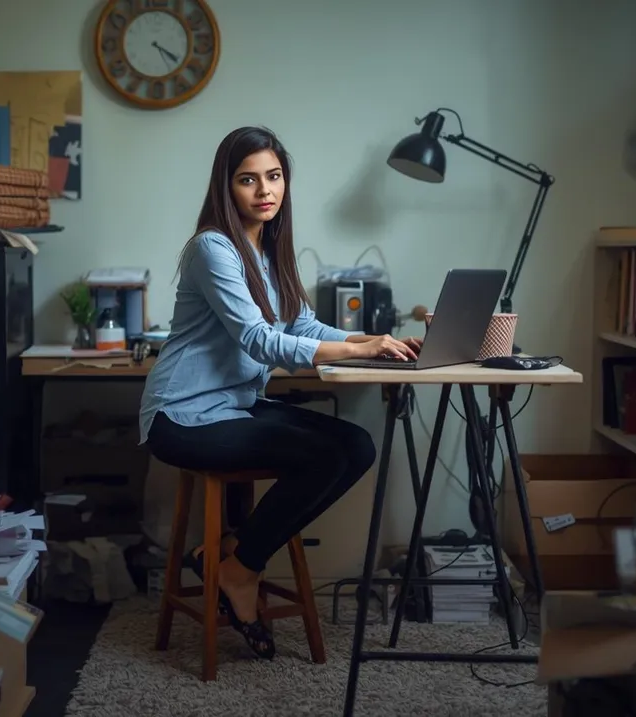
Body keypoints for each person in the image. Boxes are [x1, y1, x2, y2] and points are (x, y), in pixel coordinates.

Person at [139, 126, 423, 659]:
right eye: (248, 180)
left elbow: (306, 328)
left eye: (273, 177)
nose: (264, 190)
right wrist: (361, 352)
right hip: (183, 419)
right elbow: (258, 339)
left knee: (356, 446)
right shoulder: (212, 248)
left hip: (236, 409)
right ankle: (241, 569)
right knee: (320, 454)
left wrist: (373, 342)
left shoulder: (268, 251)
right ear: (227, 187)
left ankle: (231, 557)